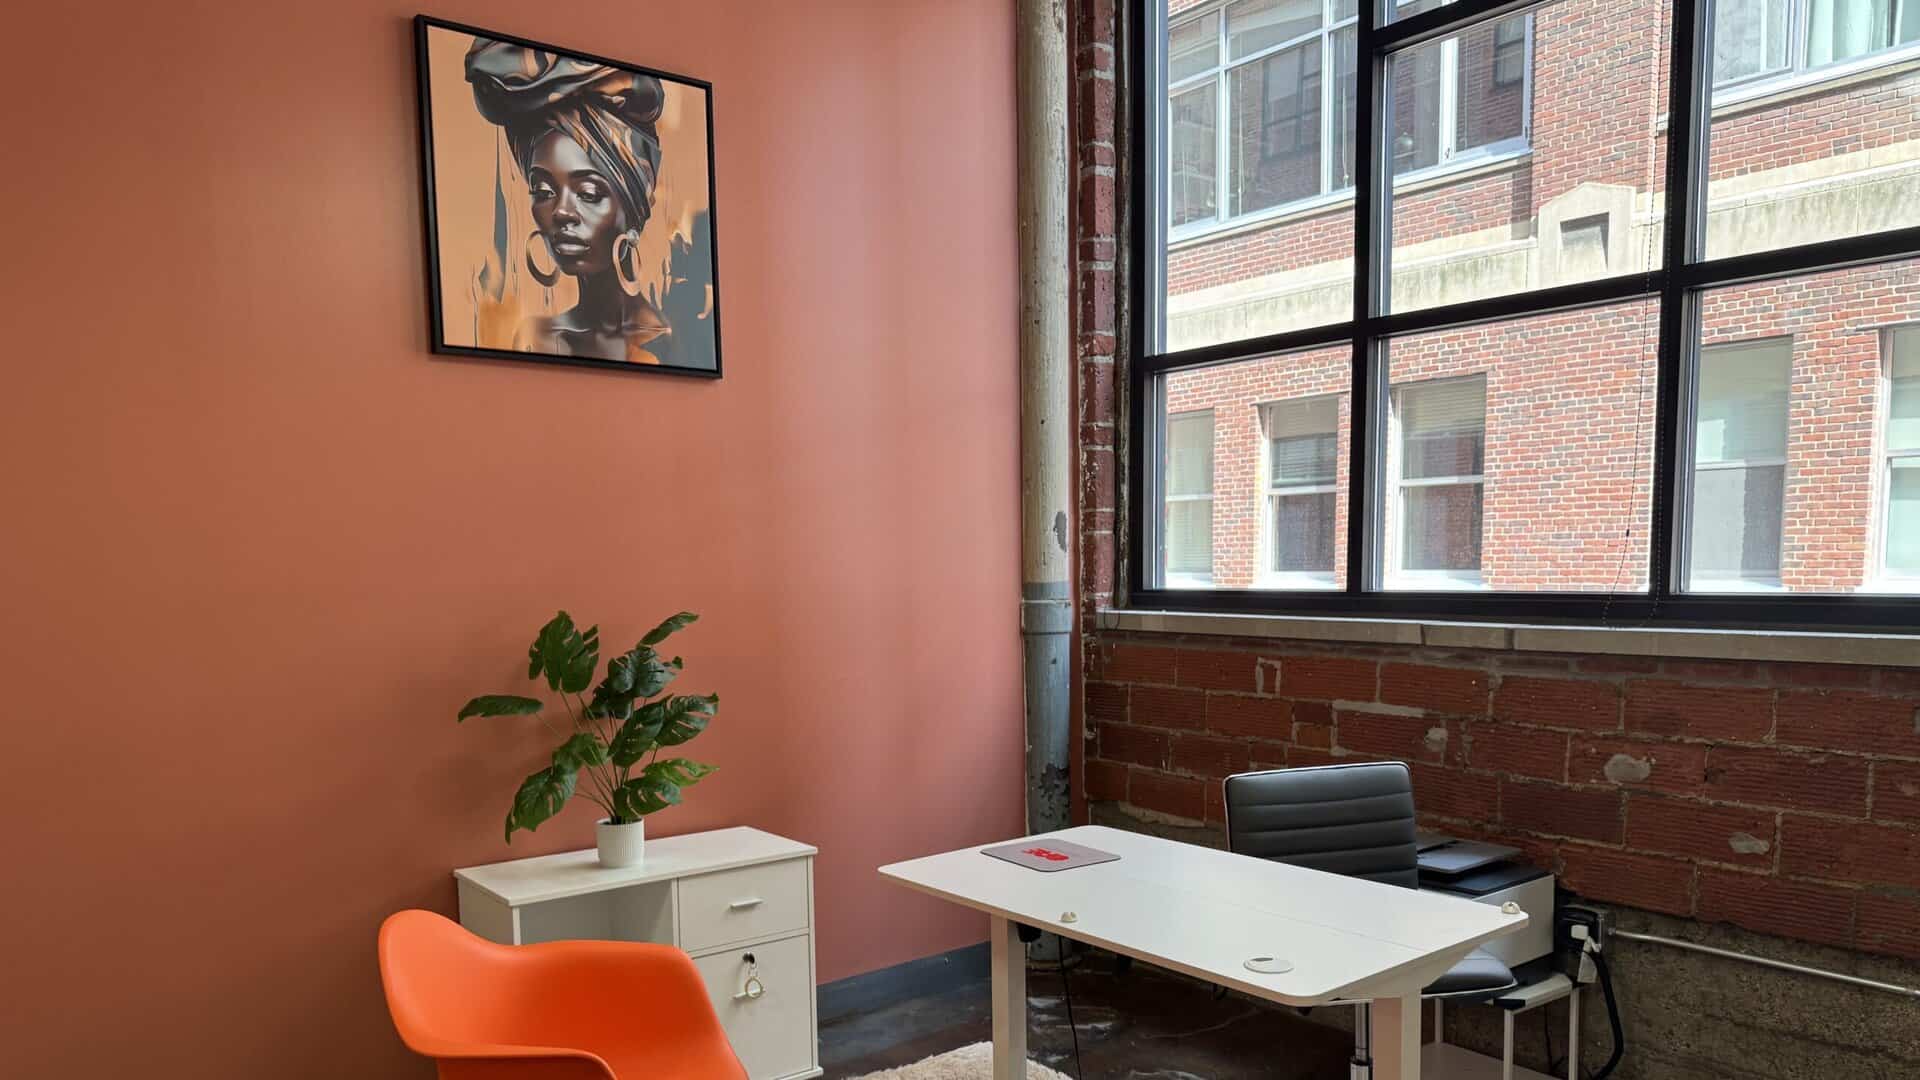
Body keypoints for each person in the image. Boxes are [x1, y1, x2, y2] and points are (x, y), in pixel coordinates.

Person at [465, 40, 687, 364]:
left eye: (588, 194)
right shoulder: (535, 337)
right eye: (543, 191)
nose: (561, 212)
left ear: (634, 205)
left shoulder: (671, 343)